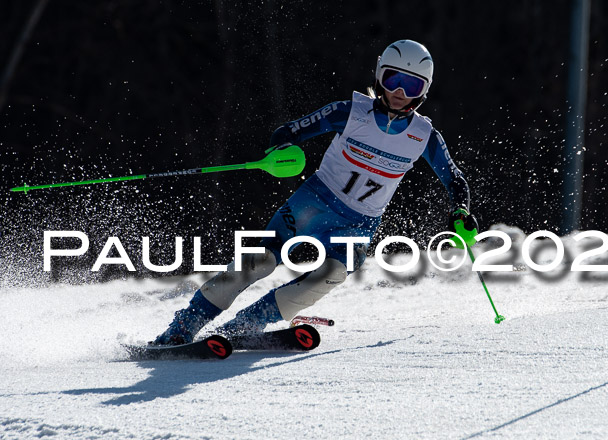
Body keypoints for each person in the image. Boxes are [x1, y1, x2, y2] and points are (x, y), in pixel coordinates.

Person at [153, 39, 478, 345]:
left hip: (359, 224)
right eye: (393, 79)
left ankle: (247, 325)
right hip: (315, 203)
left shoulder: (424, 135)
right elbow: (288, 131)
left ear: (424, 91)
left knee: (330, 275)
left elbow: (455, 179)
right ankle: (184, 325)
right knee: (259, 261)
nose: (398, 92)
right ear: (380, 76)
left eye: (412, 86)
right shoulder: (350, 112)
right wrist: (280, 150)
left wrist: (461, 211)